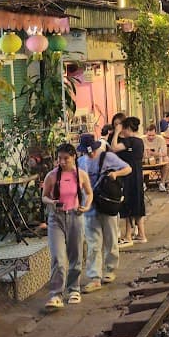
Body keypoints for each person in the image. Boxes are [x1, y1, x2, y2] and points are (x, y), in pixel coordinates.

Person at [39, 143, 92, 310]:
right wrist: (52, 202)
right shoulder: (52, 176)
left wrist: (86, 206)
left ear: (73, 157)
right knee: (58, 258)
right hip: (56, 219)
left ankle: (74, 289)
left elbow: (89, 193)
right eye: (59, 158)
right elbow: (44, 197)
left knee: (76, 254)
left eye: (65, 158)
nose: (62, 162)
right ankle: (56, 294)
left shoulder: (80, 175)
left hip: (75, 216)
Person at [77, 133, 131, 291]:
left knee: (110, 237)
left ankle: (110, 269)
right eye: (87, 152)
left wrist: (115, 174)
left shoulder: (108, 157)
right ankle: (94, 276)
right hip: (89, 206)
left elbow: (128, 168)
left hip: (107, 204)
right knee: (93, 242)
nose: (90, 154)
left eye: (91, 151)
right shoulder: (80, 162)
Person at [116, 116, 148, 246]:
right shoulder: (140, 141)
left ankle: (129, 236)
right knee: (138, 204)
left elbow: (113, 148)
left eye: (123, 128)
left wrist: (117, 133)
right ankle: (141, 234)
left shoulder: (130, 141)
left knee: (128, 204)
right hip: (137, 175)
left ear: (128, 128)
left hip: (129, 175)